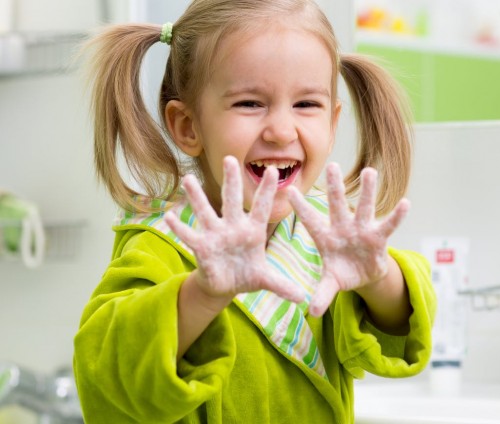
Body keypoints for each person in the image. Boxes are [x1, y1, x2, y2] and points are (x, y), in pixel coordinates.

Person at [73, 0, 436, 422]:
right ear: (188, 127)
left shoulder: (330, 238)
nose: (282, 131)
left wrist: (379, 278)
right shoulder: (164, 245)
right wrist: (202, 294)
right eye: (249, 103)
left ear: (334, 123)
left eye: (306, 105)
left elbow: (396, 334)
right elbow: (104, 373)